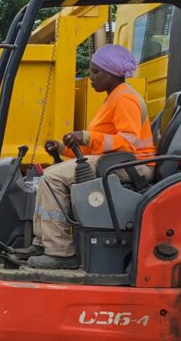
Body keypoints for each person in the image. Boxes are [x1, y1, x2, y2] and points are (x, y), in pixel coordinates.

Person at [23, 44, 154, 270]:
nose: (91, 77)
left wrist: (85, 136)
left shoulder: (125, 99)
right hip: (116, 161)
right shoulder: (114, 97)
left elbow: (128, 142)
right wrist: (63, 148)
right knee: (50, 174)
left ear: (113, 74)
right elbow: (101, 146)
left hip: (132, 164)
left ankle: (60, 252)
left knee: (52, 179)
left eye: (96, 72)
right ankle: (43, 242)